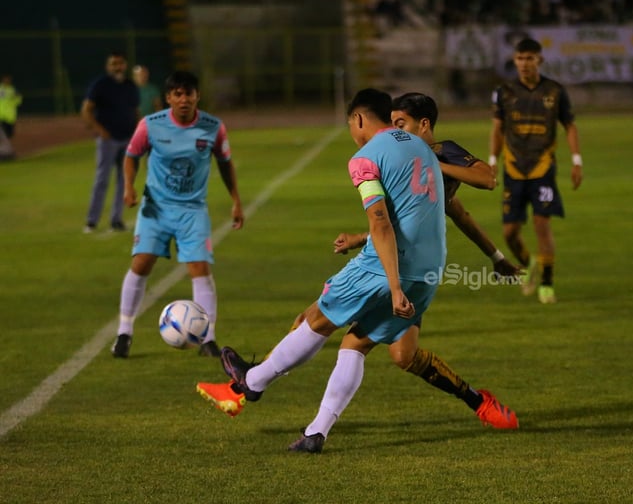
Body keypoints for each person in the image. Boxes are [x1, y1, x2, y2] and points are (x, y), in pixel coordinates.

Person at [197, 88, 517, 454]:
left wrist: (394, 285)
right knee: (356, 343)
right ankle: (316, 432)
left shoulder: (364, 159)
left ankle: (251, 383)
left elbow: (381, 221)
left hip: (385, 265)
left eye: (351, 124)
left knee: (317, 317)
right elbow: (436, 213)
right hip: (430, 270)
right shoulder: (427, 152)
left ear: (359, 120)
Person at [312, 92, 521, 430]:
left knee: (367, 341)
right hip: (396, 262)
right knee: (394, 353)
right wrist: (359, 238)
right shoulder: (400, 155)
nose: (394, 131)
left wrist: (496, 257)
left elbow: (484, 182)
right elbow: (397, 225)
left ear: (423, 125)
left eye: (400, 124)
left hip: (416, 270)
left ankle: (255, 382)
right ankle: (259, 385)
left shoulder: (438, 154)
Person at [111, 70, 244, 359]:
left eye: (189, 93)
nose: (184, 99)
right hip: (155, 208)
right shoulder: (150, 125)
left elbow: (225, 163)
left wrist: (236, 200)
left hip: (192, 210)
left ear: (198, 96)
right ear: (169, 98)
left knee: (200, 268)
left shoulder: (213, 127)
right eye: (178, 94)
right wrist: (129, 188)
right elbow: (131, 156)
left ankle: (208, 339)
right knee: (141, 263)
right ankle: (124, 333)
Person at [489, 37, 583, 305]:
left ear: (539, 60)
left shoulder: (555, 91)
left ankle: (547, 283)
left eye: (530, 58)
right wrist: (492, 160)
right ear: (515, 60)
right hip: (513, 168)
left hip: (542, 168)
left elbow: (571, 126)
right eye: (520, 58)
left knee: (542, 225)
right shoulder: (504, 91)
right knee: (509, 233)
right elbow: (497, 128)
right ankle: (530, 264)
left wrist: (577, 160)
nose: (524, 63)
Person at [80, 51, 140, 233]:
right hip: (108, 140)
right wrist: (100, 131)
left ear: (125, 65)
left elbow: (135, 111)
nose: (117, 67)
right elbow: (86, 110)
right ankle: (91, 221)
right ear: (108, 66)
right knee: (102, 179)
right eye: (113, 64)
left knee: (124, 181)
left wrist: (138, 133)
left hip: (127, 138)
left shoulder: (130, 86)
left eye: (120, 63)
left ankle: (116, 219)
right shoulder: (100, 85)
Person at [0, 74, 22, 161]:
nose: (7, 81)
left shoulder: (12, 90)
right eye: (5, 79)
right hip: (1, 116)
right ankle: (6, 152)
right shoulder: (0, 89)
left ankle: (7, 151)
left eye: (8, 79)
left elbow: (19, 100)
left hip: (10, 116)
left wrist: (13, 101)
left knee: (9, 134)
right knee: (3, 134)